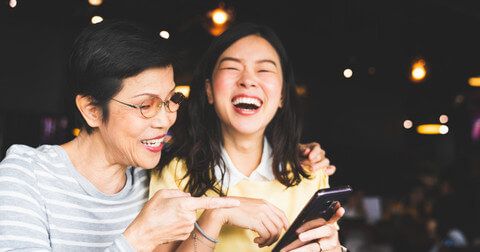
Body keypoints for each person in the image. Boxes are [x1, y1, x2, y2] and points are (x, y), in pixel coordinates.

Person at [0, 19, 242, 251]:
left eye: (170, 100)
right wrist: (140, 237)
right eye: (146, 105)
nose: (165, 120)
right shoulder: (25, 176)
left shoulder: (160, 179)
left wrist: (217, 215)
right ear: (91, 110)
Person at [151, 22, 346, 252]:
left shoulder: (311, 173)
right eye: (232, 68)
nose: (248, 80)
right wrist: (216, 215)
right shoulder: (174, 174)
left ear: (282, 94)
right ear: (209, 90)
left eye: (264, 70)